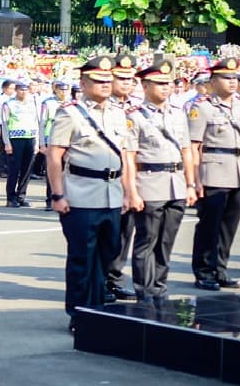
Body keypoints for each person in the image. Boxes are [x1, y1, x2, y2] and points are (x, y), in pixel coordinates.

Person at [46, 56, 130, 333]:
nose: (106, 85)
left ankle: (98, 308)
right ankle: (80, 313)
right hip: (81, 195)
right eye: (98, 80)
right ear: (83, 83)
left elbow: (125, 156)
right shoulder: (69, 113)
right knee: (82, 258)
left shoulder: (118, 113)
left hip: (112, 194)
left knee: (109, 254)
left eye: (109, 80)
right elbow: (55, 156)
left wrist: (128, 192)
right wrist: (58, 194)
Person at [125, 60, 197, 304]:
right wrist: (132, 191)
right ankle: (144, 290)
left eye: (168, 84)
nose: (166, 88)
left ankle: (159, 286)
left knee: (166, 241)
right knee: (147, 240)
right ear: (145, 86)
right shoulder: (135, 116)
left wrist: (190, 184)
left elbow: (186, 150)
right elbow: (130, 156)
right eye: (159, 84)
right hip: (149, 182)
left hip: (175, 183)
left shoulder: (178, 113)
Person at [188, 57, 240, 291]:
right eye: (226, 78)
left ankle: (221, 269)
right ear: (213, 81)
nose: (232, 82)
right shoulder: (203, 107)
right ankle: (204, 271)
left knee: (229, 225)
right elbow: (194, 146)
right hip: (214, 171)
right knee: (210, 224)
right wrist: (195, 180)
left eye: (235, 78)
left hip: (239, 171)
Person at [105, 53, 139, 302]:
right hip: (107, 179)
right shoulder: (101, 106)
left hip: (134, 178)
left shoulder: (136, 108)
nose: (126, 83)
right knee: (107, 234)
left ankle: (115, 279)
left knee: (126, 233)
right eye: (121, 78)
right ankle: (102, 281)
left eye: (130, 78)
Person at [1, 82, 39, 207]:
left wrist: (37, 142)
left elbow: (37, 123)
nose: (24, 92)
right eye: (21, 90)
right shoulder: (9, 104)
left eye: (26, 90)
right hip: (15, 139)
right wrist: (7, 142)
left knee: (27, 170)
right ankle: (10, 198)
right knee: (14, 170)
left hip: (30, 138)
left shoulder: (33, 104)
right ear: (16, 91)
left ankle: (21, 196)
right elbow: (5, 125)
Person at [39, 80, 72, 210]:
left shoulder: (72, 104)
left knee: (68, 171)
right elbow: (42, 123)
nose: (64, 92)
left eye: (66, 90)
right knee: (52, 171)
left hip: (68, 142)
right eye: (61, 90)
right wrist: (42, 143)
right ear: (56, 90)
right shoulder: (48, 103)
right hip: (51, 140)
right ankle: (50, 199)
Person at [0, 80, 15, 177]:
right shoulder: (0, 100)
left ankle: (10, 169)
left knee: (12, 147)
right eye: (10, 88)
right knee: (3, 147)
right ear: (4, 89)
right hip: (2, 125)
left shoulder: (14, 99)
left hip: (12, 126)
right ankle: (3, 170)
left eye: (14, 88)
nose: (12, 90)